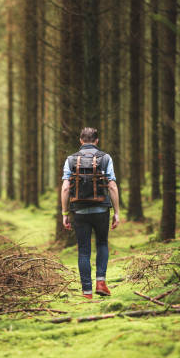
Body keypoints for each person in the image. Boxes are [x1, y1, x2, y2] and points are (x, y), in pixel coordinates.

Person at [61, 127, 120, 299]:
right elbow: (112, 186)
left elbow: (65, 188)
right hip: (101, 209)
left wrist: (64, 213)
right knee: (102, 243)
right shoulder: (105, 158)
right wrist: (116, 212)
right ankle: (101, 282)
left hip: (79, 211)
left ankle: (87, 291)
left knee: (84, 251)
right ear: (97, 141)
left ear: (80, 141)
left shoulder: (70, 159)